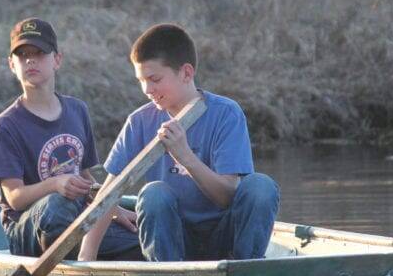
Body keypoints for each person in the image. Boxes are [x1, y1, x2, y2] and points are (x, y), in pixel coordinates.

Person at [79, 23, 280, 262]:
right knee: (153, 194)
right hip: (173, 239)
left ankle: (246, 274)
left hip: (224, 236)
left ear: (186, 73)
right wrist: (86, 254)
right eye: (141, 80)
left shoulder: (226, 113)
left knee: (260, 186)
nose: (147, 89)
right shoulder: (140, 121)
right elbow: (108, 194)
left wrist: (186, 157)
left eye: (154, 79)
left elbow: (227, 196)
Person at [0, 17, 142, 260]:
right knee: (57, 204)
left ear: (57, 60)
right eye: (22, 54)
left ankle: (91, 256)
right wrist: (55, 184)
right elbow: (15, 199)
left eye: (39, 53)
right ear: (11, 64)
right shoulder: (4, 127)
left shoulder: (77, 110)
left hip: (77, 220)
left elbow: (86, 179)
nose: (30, 60)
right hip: (28, 230)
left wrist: (110, 208)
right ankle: (81, 259)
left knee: (144, 222)